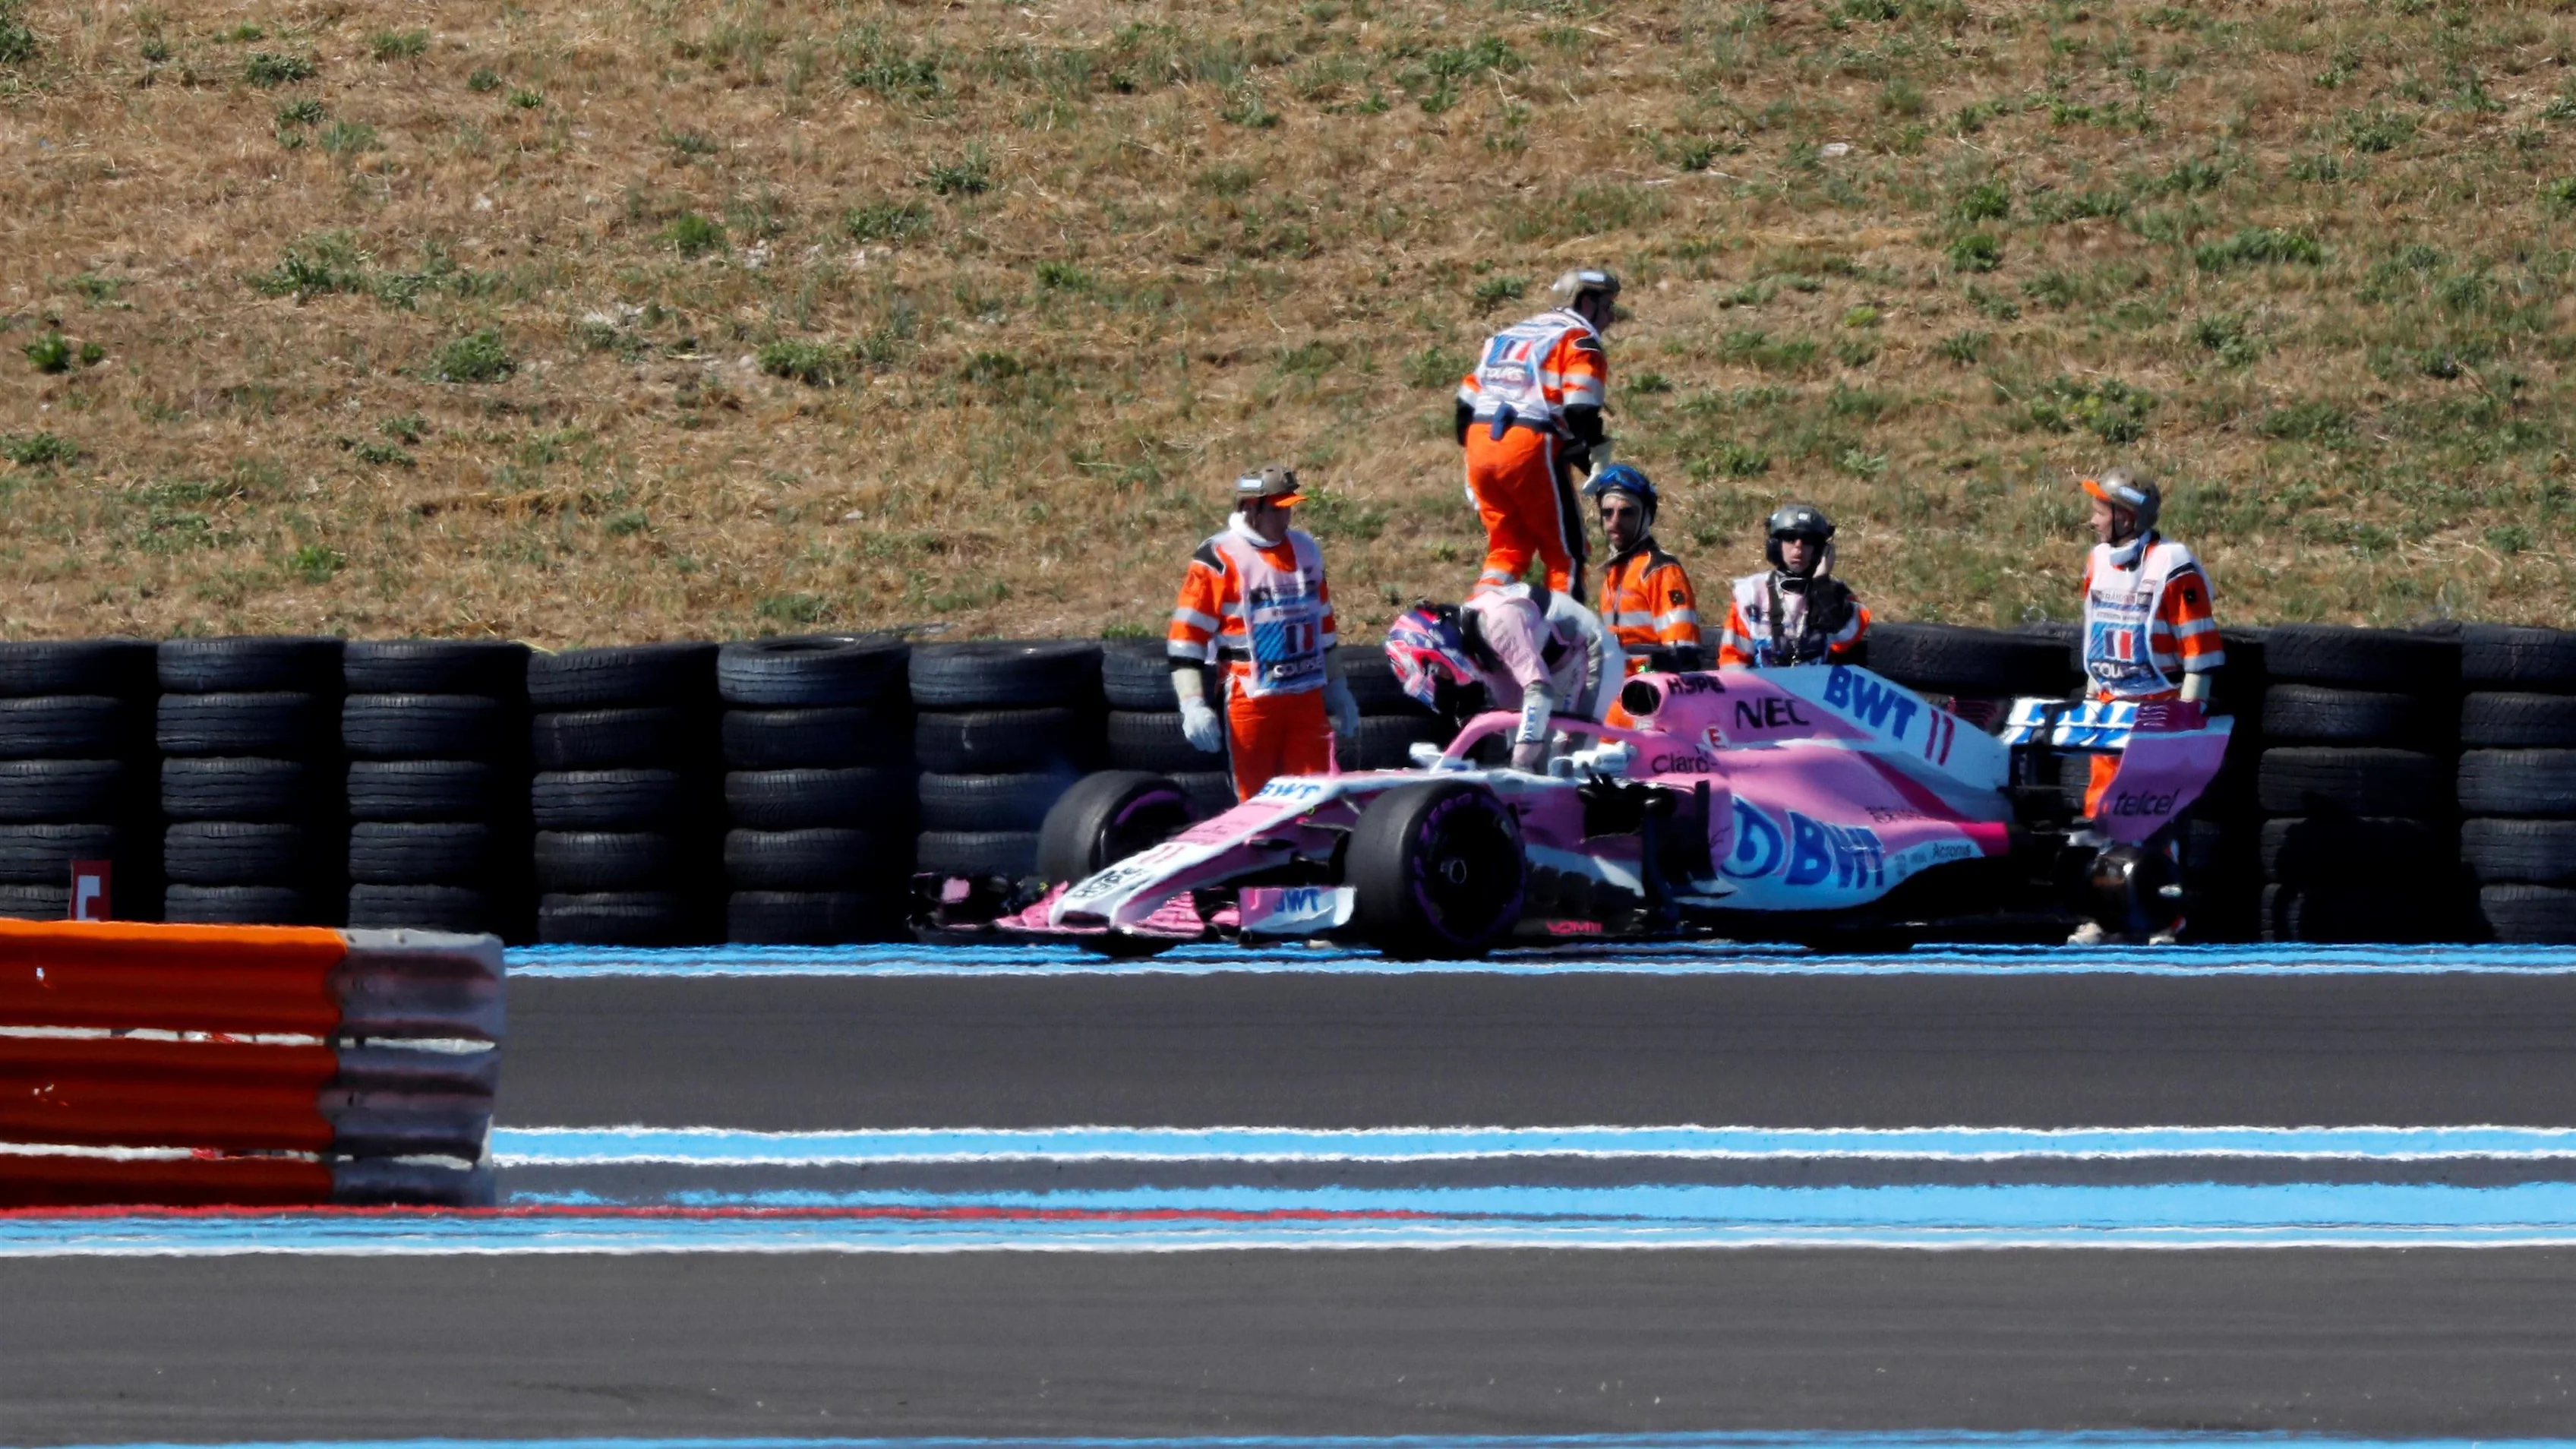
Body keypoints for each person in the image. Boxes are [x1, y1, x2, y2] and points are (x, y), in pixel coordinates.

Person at [1166, 465, 1363, 801]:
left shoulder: (1307, 550)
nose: (1286, 519)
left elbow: (1325, 627)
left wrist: (1340, 689)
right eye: (1277, 510)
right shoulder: (1217, 558)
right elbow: (1187, 637)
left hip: (1307, 697)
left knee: (1316, 799)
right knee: (1255, 804)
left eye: (1290, 508)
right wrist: (1193, 704)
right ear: (1250, 508)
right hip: (1250, 699)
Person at [1455, 268, 1619, 598]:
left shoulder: (1506, 336)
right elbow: (1580, 408)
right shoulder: (1578, 339)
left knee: (1507, 547)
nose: (1611, 317)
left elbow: (1463, 410)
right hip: (1528, 444)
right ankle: (1564, 638)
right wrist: (1596, 452)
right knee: (1565, 551)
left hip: (1479, 444)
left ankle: (1480, 624)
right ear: (1586, 303)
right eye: (1607, 306)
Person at [2076, 467, 2223, 818]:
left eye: (2099, 513)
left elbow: (2199, 653)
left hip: (2160, 709)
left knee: (2152, 814)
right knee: (2101, 808)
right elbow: (2097, 637)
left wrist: (2188, 715)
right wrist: (2091, 698)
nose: (2092, 521)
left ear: (2125, 518)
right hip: (2109, 708)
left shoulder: (2173, 564)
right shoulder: (2098, 560)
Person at [1384, 583, 1615, 775]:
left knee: (1568, 762)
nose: (1445, 679)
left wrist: (1521, 762)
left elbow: (1539, 690)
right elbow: (1512, 709)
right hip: (1550, 664)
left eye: (1437, 671)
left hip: (1591, 651)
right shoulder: (1474, 646)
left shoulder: (1497, 624)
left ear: (1436, 646)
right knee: (1537, 761)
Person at [1716, 504, 1870, 668]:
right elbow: (1732, 660)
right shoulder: (1750, 593)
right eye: (1790, 538)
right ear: (1775, 545)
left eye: (1808, 541)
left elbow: (1847, 640)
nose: (1798, 546)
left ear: (1821, 550)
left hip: (1816, 690)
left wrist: (1822, 585)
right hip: (1763, 690)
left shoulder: (1836, 593)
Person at [1583, 463, 1702, 676]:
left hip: (1653, 695)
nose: (1615, 521)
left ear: (1646, 517)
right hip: (1622, 689)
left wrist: (1641, 672)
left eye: (1626, 512)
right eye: (1607, 513)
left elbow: (1681, 657)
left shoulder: (1660, 570)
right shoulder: (1614, 573)